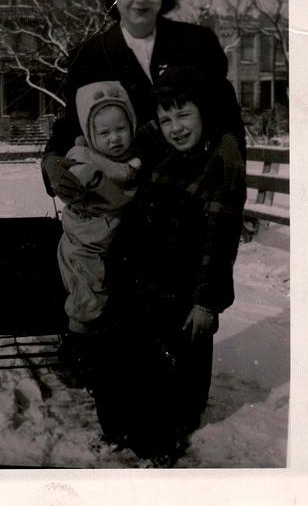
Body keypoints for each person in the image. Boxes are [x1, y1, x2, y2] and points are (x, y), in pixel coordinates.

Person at [92, 66, 246, 460]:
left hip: (182, 297)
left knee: (166, 385)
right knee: (119, 359)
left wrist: (207, 303)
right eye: (165, 118)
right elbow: (114, 134)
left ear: (205, 112)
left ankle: (158, 441)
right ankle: (122, 429)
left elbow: (219, 241)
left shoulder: (218, 163)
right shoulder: (162, 153)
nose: (175, 127)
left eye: (184, 115)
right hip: (143, 284)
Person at [42, 0, 245, 203]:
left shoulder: (197, 43)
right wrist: (50, 162)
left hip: (193, 191)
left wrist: (230, 140)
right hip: (125, 201)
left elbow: (224, 107)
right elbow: (73, 121)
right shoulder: (89, 55)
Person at [56, 81, 141, 379]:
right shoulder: (86, 158)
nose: (115, 138)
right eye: (103, 133)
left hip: (109, 230)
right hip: (88, 234)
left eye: (121, 129)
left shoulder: (133, 159)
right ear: (91, 136)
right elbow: (76, 174)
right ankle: (75, 351)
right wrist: (81, 180)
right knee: (89, 289)